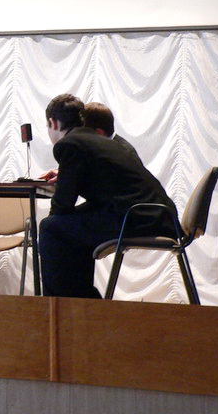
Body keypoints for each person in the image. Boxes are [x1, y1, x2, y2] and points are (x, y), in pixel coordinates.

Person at [38, 94, 177, 298]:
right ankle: (83, 302)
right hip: (155, 214)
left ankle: (60, 306)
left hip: (138, 217)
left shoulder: (69, 143)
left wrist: (54, 222)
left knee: (50, 227)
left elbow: (63, 204)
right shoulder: (98, 139)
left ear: (53, 123)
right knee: (64, 228)